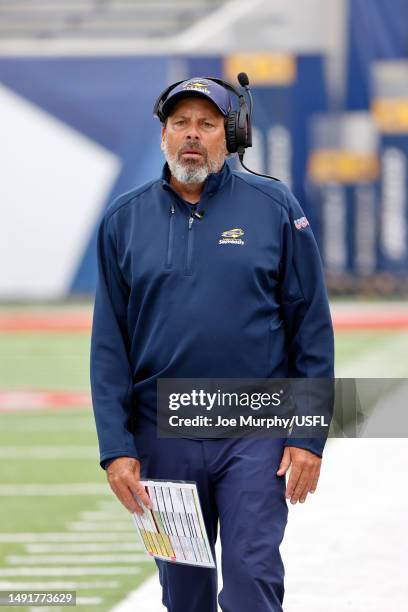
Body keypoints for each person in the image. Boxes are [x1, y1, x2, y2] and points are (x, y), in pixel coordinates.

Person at [90, 76, 334, 612]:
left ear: (232, 135)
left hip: (256, 430)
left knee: (252, 579)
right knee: (184, 593)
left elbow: (311, 329)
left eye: (207, 123)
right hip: (163, 435)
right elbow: (110, 346)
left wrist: (309, 436)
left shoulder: (275, 207)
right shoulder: (122, 221)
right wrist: (116, 449)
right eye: (181, 123)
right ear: (163, 135)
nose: (192, 135)